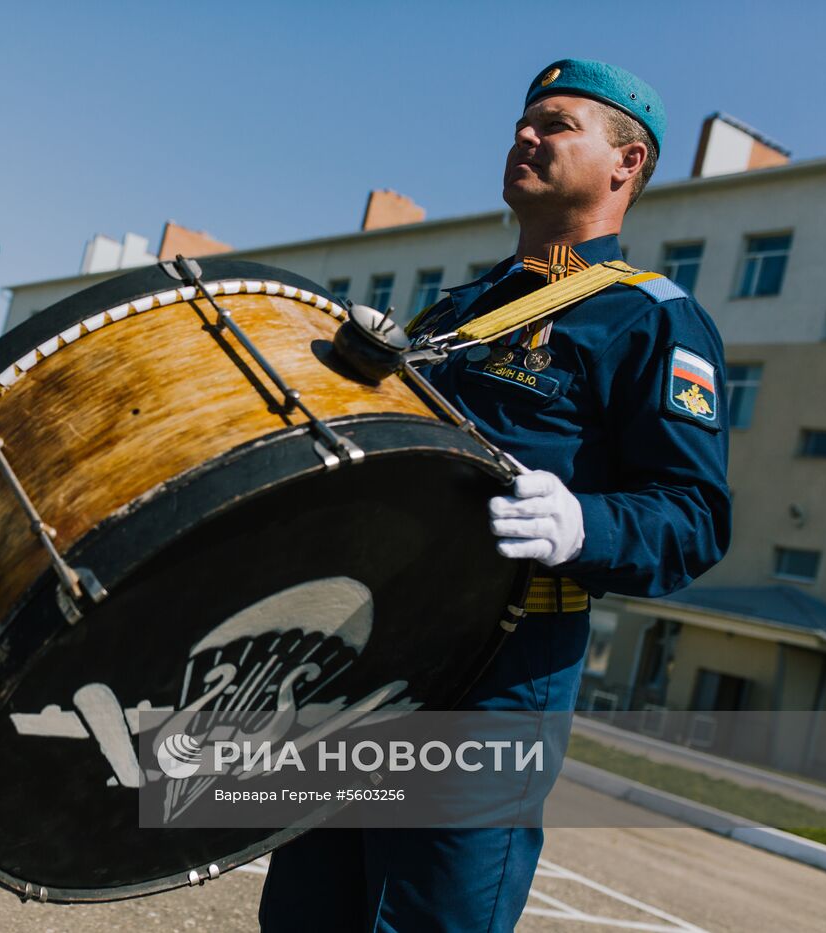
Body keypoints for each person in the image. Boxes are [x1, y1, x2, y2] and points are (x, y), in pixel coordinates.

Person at [259, 59, 731, 932]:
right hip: (369, 651)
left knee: (433, 919)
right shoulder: (452, 315)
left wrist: (585, 522)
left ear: (626, 163)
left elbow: (694, 517)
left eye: (557, 124)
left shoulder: (652, 318)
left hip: (499, 672)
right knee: (305, 910)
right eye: (525, 121)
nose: (525, 134)